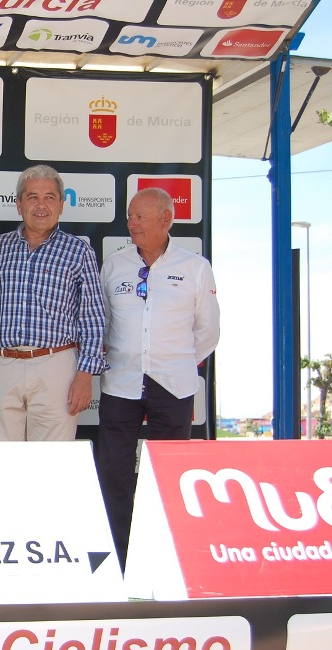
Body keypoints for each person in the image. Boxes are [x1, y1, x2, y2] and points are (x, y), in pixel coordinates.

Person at [96, 187, 220, 570]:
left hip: (174, 385)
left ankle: (163, 558)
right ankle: (119, 557)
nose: (131, 223)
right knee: (113, 471)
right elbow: (102, 323)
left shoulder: (196, 267)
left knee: (168, 473)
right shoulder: (114, 265)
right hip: (121, 383)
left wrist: (177, 363)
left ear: (166, 219)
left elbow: (208, 330)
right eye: (130, 216)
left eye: (139, 217)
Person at [0, 164, 107, 441]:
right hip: (1, 366)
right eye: (32, 197)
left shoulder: (79, 251)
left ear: (61, 204)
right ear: (19, 204)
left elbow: (93, 318)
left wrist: (85, 375)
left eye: (50, 197)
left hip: (55, 367)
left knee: (51, 459)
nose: (41, 205)